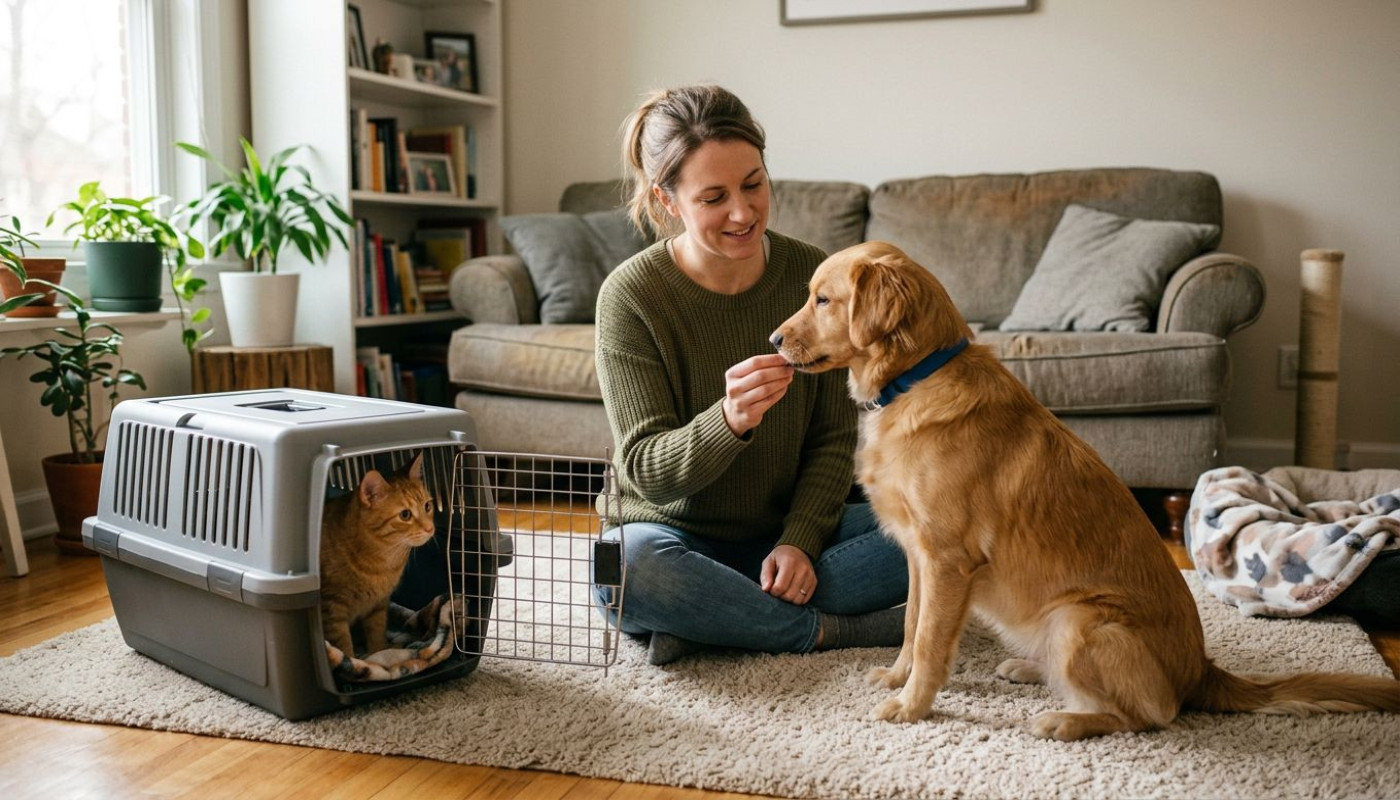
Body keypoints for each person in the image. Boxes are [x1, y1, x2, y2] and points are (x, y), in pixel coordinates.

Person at [591, 85, 908, 665]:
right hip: (669, 536)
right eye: (714, 197)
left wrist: (799, 542)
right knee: (627, 571)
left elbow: (833, 440)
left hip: (787, 534)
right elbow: (646, 471)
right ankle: (829, 630)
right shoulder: (631, 297)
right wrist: (729, 419)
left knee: (934, 525)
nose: (743, 213)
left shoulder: (812, 274)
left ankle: (714, 621)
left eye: (753, 184)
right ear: (667, 201)